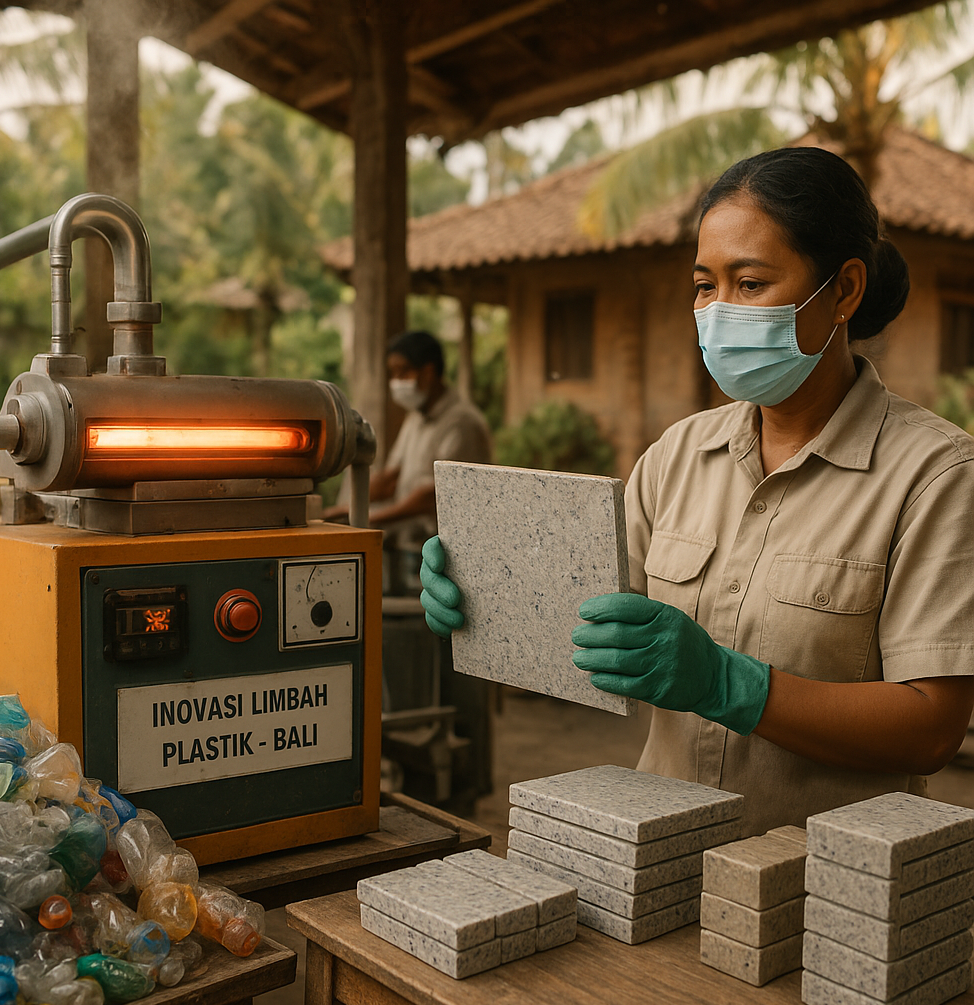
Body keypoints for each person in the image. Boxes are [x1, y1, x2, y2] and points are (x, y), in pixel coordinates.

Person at [419, 147, 974, 836]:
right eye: (705, 285)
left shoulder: (934, 475)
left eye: (750, 283)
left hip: (827, 892)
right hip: (658, 862)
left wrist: (727, 684)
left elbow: (931, 729)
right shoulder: (677, 456)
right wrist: (483, 596)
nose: (717, 312)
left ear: (845, 290)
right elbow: (585, 623)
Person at [326, 329, 492, 586]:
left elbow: (429, 498)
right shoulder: (415, 418)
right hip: (410, 541)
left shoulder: (462, 423)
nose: (397, 381)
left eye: (403, 371)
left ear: (428, 371)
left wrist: (357, 517)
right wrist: (345, 507)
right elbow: (392, 478)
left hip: (446, 553)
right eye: (393, 373)